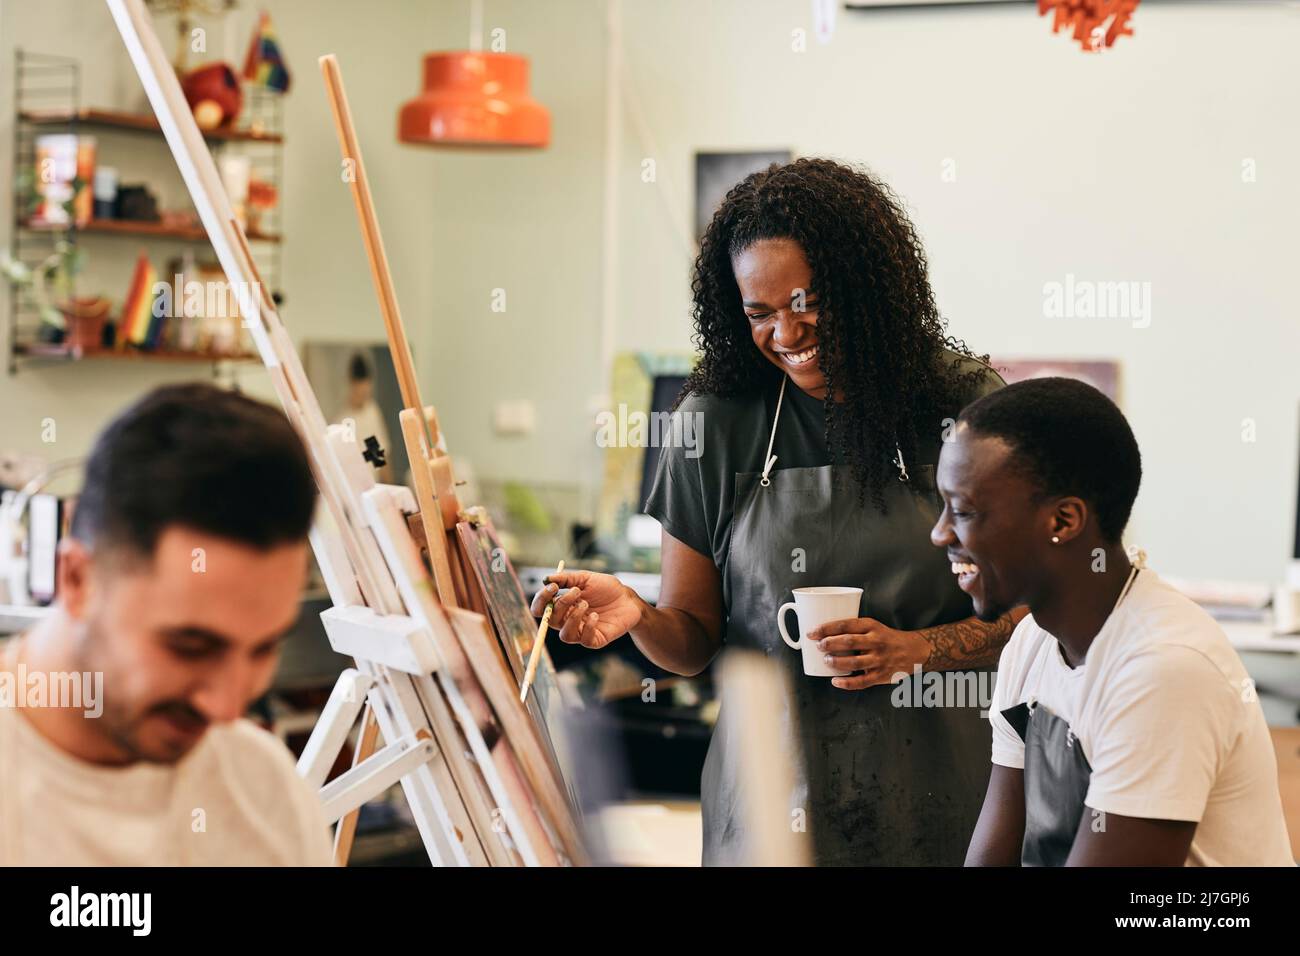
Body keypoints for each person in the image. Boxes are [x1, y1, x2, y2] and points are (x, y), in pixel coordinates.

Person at [532, 158, 1023, 865]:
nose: (787, 334)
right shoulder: (718, 421)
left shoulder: (955, 401)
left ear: (865, 290)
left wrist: (918, 652)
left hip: (947, 795)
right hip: (770, 803)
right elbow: (695, 637)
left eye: (807, 302)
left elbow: (1030, 610)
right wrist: (637, 614)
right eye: (759, 313)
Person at [932, 376, 1293, 866]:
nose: (940, 533)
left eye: (964, 511)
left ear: (1063, 521)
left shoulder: (1164, 669)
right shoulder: (1032, 642)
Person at [0, 383, 333, 866]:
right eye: (190, 647)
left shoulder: (266, 790)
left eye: (262, 649)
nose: (226, 708)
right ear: (76, 580)